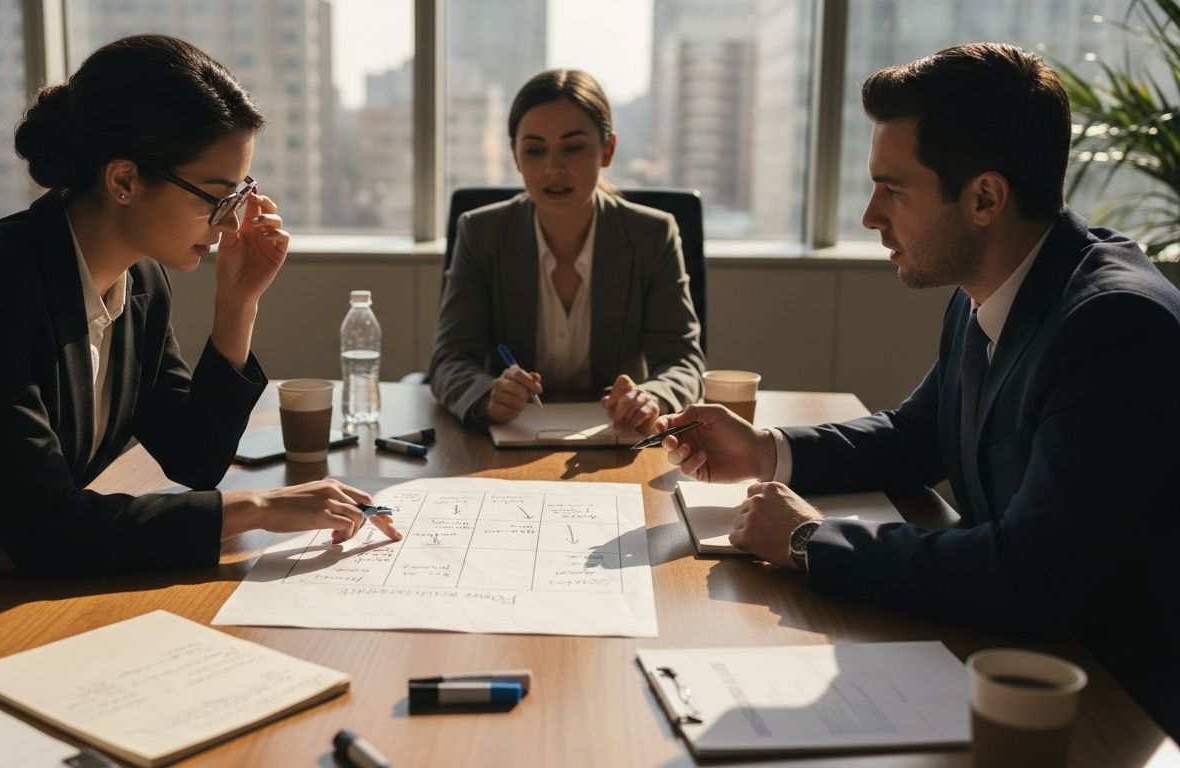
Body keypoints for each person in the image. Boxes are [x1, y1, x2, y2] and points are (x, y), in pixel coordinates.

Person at [657, 43, 1180, 737]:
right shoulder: (993, 286)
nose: (871, 215)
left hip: (1107, 708)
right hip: (1007, 660)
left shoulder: (1113, 326)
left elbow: (1030, 575)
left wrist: (811, 539)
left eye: (892, 189)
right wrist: (761, 449)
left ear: (985, 198)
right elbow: (917, 435)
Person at [0, 34, 398, 623]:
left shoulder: (143, 281)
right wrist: (258, 507)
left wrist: (237, 303)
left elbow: (194, 457)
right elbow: (46, 530)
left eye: (240, 194)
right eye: (217, 196)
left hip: (1, 578)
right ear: (124, 180)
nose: (232, 219)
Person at [429, 69, 705, 433]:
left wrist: (652, 397)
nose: (553, 169)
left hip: (617, 437)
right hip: (510, 437)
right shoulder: (481, 233)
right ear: (514, 155)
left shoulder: (652, 235)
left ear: (607, 150)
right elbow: (450, 358)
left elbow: (682, 360)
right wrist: (485, 395)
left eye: (573, 147)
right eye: (535, 150)